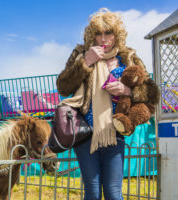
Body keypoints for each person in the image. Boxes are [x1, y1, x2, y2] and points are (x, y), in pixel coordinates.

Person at [56, 8, 159, 200]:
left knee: (113, 192)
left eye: (108, 33)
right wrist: (86, 62)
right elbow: (62, 86)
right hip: (85, 135)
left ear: (116, 34)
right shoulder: (81, 54)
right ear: (91, 35)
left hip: (115, 133)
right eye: (98, 33)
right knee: (93, 192)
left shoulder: (128, 57)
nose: (103, 39)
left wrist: (128, 91)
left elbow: (152, 94)